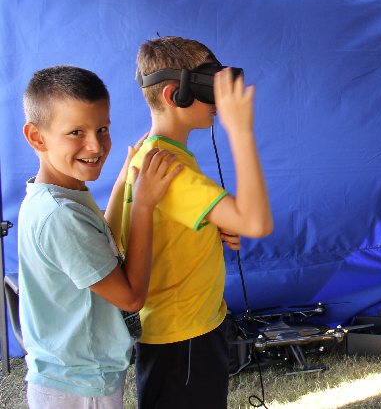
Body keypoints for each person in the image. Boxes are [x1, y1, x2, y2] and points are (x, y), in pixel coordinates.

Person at [116, 36, 274, 408]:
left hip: (181, 333)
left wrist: (208, 227)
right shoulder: (167, 168)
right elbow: (256, 223)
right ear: (176, 95)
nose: (219, 102)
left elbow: (154, 229)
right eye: (209, 87)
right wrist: (241, 131)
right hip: (184, 339)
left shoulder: (154, 156)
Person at [18, 65, 182, 409]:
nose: (95, 145)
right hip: (79, 387)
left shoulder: (60, 195)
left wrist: (125, 177)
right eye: (76, 132)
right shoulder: (60, 215)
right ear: (36, 137)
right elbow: (131, 297)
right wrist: (143, 205)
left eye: (102, 129)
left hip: (74, 377)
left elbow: (98, 245)